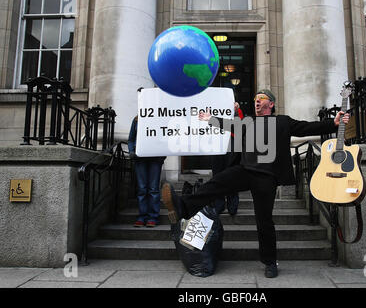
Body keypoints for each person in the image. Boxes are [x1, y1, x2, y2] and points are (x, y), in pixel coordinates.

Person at [161, 89, 350, 278]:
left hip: (267, 177)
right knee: (215, 183)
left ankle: (270, 262)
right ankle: (181, 207)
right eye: (255, 99)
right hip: (245, 170)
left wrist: (332, 124)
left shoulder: (282, 121)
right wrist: (210, 118)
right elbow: (230, 124)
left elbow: (307, 128)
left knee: (264, 221)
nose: (257, 102)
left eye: (261, 99)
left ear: (271, 104)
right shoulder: (248, 122)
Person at [128, 115, 166, 228]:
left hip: (155, 158)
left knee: (153, 189)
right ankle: (142, 216)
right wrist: (131, 151)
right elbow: (131, 138)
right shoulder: (136, 119)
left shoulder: (160, 119)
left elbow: (165, 137)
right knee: (142, 188)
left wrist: (163, 153)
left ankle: (153, 217)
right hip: (140, 158)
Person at [210, 101, 244, 215]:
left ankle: (232, 206)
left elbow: (239, 127)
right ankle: (219, 205)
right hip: (217, 145)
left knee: (232, 176)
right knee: (217, 176)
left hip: (231, 145)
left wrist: (235, 111)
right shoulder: (210, 110)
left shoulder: (236, 111)